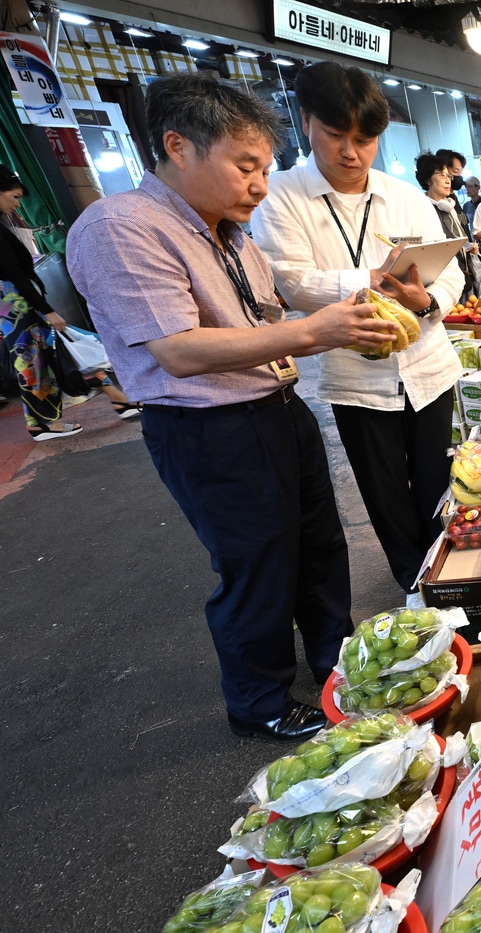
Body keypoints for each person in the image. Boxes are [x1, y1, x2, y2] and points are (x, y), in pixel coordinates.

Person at [67, 73, 398, 740]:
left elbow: (270, 309)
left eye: (265, 168)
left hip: (278, 406)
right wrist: (315, 332)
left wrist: (365, 297)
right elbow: (180, 349)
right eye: (245, 166)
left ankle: (339, 660)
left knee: (320, 545)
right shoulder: (121, 226)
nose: (259, 184)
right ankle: (260, 700)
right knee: (258, 561)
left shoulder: (228, 232)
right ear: (177, 145)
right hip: (208, 427)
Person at [251, 62, 465, 596]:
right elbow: (294, 282)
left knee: (440, 486)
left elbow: (451, 269)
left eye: (365, 140)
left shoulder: (405, 195)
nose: (351, 152)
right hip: (357, 379)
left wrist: (428, 298)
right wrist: (371, 278)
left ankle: (453, 577)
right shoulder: (280, 196)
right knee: (385, 491)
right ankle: (417, 588)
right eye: (336, 135)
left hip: (428, 368)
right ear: (306, 121)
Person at [0, 168, 137, 438]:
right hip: (17, 309)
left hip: (16, 308)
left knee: (61, 351)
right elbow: (15, 275)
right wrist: (48, 311)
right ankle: (40, 424)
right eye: (14, 196)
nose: (17, 203)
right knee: (37, 363)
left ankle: (118, 400)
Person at [415, 151, 481, 301]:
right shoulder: (422, 209)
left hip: (462, 278)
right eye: (441, 175)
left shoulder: (449, 206)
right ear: (427, 180)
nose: (448, 181)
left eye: (448, 176)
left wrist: (468, 248)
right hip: (439, 283)